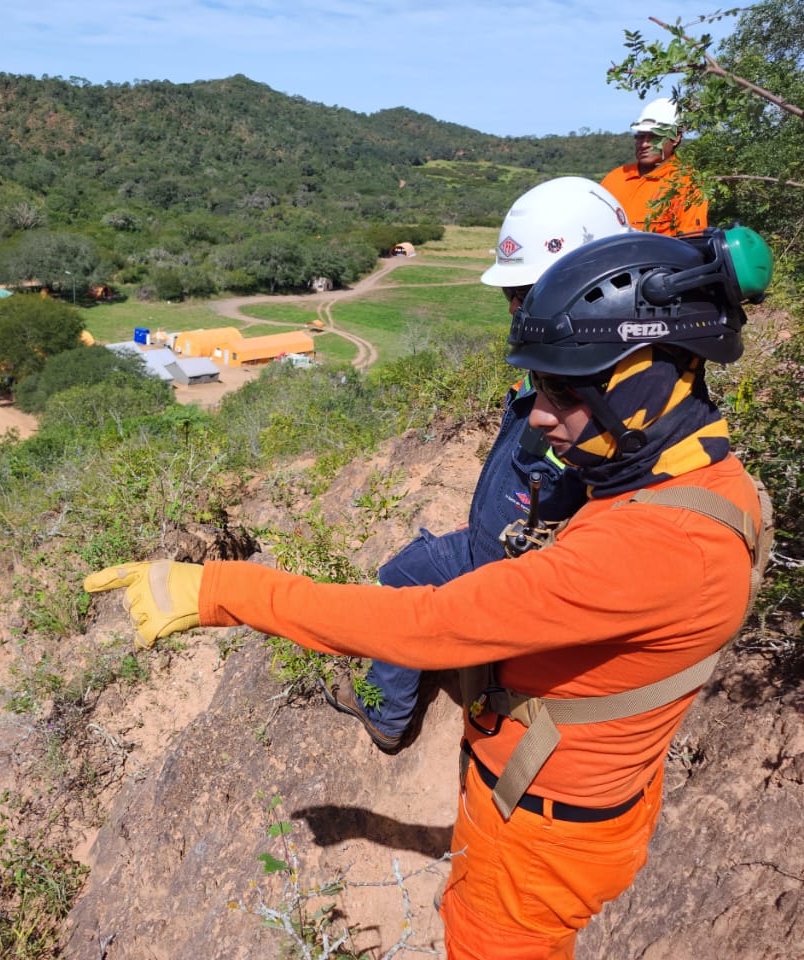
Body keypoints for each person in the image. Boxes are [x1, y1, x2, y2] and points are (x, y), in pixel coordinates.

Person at [84, 224, 773, 959]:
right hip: (558, 805)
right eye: (539, 386)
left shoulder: (660, 548)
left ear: (647, 383)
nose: (538, 416)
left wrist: (221, 589)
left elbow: (426, 625)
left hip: (538, 838)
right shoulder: (699, 479)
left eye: (563, 391)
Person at [321, 176, 632, 753]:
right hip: (494, 543)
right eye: (511, 294)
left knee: (401, 585)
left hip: (513, 578)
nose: (516, 309)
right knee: (406, 568)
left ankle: (387, 713)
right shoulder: (569, 364)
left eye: (528, 292)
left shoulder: (614, 394)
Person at [600, 97, 708, 235]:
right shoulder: (615, 178)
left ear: (675, 138)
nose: (644, 144)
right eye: (640, 137)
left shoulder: (687, 183)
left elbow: (691, 242)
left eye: (654, 137)